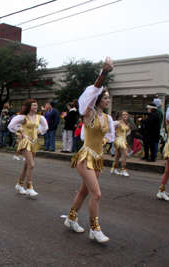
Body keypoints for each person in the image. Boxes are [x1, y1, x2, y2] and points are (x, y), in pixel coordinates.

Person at [65, 57, 114, 243]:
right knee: (97, 194)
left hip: (98, 158)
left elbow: (110, 136)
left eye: (109, 97)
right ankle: (95, 229)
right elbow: (94, 91)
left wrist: (104, 141)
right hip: (86, 158)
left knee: (84, 192)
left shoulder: (107, 118)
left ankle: (71, 218)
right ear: (97, 99)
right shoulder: (89, 113)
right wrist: (104, 73)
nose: (108, 99)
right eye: (105, 97)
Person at [8, 99, 48, 196]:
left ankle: (19, 184)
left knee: (27, 165)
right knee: (31, 165)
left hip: (34, 142)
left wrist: (38, 132)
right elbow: (11, 125)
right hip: (26, 142)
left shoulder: (39, 117)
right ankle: (29, 187)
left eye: (36, 105)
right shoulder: (23, 117)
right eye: (34, 105)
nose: (36, 107)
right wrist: (20, 131)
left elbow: (45, 127)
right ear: (29, 106)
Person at [111, 111, 131, 176]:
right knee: (125, 154)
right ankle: (123, 170)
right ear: (121, 116)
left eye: (126, 115)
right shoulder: (118, 123)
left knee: (118, 155)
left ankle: (114, 168)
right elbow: (110, 127)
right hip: (119, 140)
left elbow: (127, 133)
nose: (125, 116)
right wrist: (115, 134)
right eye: (123, 115)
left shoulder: (127, 124)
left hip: (124, 140)